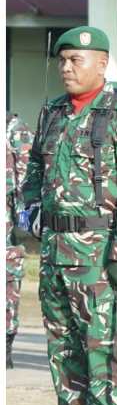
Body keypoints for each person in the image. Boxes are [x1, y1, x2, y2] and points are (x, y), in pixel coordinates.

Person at [21, 25, 117, 405]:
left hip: (99, 254)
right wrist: (29, 214)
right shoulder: (53, 112)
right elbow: (35, 174)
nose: (66, 67)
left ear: (102, 63)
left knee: (102, 346)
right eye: (62, 60)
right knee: (61, 345)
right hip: (54, 253)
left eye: (75, 60)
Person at [6, 113, 33, 368]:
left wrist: (25, 220)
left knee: (7, 283)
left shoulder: (13, 129)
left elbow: (28, 177)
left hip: (7, 222)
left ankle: (6, 345)